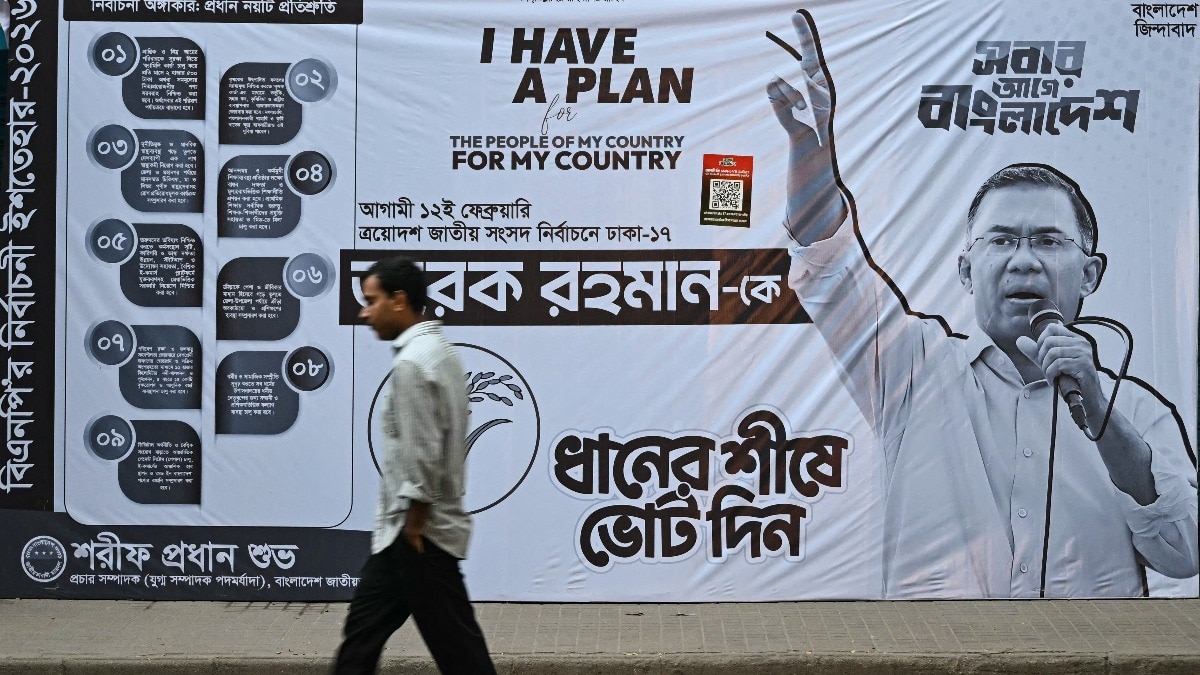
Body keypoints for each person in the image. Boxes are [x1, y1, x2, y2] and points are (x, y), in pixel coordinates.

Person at [767, 10, 1197, 598]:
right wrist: (812, 160)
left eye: (1048, 241)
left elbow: (1183, 552)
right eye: (1002, 241)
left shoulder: (1140, 414)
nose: (1024, 261)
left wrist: (1100, 412)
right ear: (967, 270)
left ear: (1090, 274)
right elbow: (829, 269)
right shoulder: (912, 369)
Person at [334, 256, 497, 673]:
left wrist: (416, 523)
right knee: (362, 635)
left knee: (459, 651)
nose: (364, 312)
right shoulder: (439, 352)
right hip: (407, 533)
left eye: (371, 301)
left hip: (419, 534)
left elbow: (423, 448)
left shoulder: (413, 364)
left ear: (399, 300)